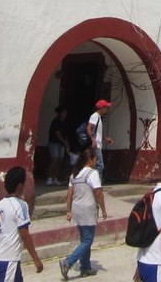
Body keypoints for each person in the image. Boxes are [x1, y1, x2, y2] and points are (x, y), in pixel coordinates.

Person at [0, 166, 44, 281]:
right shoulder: (21, 205)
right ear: (20, 186)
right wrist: (36, 259)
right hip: (9, 259)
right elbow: (25, 234)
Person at [60, 148, 108, 280]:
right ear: (90, 160)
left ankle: (85, 268)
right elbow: (98, 193)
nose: (96, 162)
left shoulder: (75, 174)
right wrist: (104, 209)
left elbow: (69, 194)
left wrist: (68, 211)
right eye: (95, 159)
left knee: (84, 239)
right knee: (88, 240)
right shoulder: (93, 173)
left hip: (77, 210)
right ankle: (68, 262)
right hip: (87, 210)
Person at [87, 100, 113, 176]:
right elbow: (88, 127)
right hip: (96, 145)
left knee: (95, 165)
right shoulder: (95, 116)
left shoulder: (98, 117)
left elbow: (97, 132)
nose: (107, 109)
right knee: (100, 165)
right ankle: (96, 181)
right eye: (106, 107)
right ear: (102, 108)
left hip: (97, 144)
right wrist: (93, 140)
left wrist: (105, 139)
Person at [47, 107, 71, 186]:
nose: (65, 114)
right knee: (55, 159)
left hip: (62, 144)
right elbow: (57, 133)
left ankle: (55, 178)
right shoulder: (56, 121)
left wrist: (67, 144)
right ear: (60, 113)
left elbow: (66, 134)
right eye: (64, 112)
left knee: (59, 161)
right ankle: (49, 178)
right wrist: (64, 142)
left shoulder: (65, 122)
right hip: (54, 143)